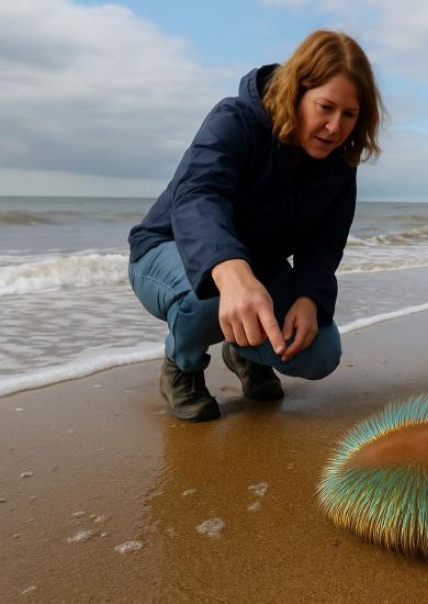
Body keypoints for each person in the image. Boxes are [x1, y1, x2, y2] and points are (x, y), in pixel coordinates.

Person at [128, 30, 384, 422]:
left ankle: (242, 351)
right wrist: (230, 270)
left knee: (321, 353)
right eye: (325, 107)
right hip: (167, 250)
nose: (335, 127)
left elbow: (325, 243)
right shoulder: (235, 119)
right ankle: (183, 367)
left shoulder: (339, 163)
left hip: (259, 268)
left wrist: (309, 298)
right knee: (211, 294)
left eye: (349, 115)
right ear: (296, 92)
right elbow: (199, 195)